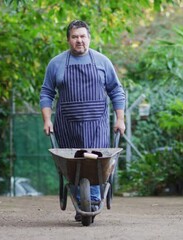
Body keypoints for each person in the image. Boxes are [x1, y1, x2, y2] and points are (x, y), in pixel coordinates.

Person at [40, 20, 126, 221]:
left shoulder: (102, 61)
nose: (79, 40)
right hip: (67, 125)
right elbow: (46, 92)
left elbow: (116, 90)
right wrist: (47, 120)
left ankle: (92, 201)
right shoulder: (57, 63)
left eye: (82, 36)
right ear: (68, 40)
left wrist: (120, 119)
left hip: (96, 125)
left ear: (89, 38)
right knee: (73, 165)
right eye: (75, 37)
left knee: (95, 163)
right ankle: (80, 201)